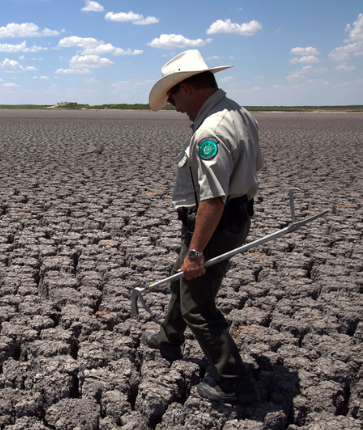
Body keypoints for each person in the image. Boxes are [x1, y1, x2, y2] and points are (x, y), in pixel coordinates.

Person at [142, 49, 264, 404]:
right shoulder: (239, 113)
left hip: (214, 225)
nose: (175, 107)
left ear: (188, 88)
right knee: (184, 281)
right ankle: (168, 339)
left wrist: (196, 251)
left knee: (198, 305)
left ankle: (235, 384)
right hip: (229, 220)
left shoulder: (211, 131)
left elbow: (213, 199)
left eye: (174, 97)